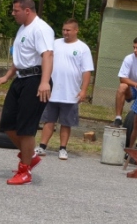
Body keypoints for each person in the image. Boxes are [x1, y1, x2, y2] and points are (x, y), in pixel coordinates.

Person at [0, 0, 54, 185]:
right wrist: (7, 76)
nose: (13, 14)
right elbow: (20, 58)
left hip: (35, 79)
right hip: (20, 78)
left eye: (15, 10)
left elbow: (48, 55)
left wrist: (44, 82)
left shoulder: (41, 29)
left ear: (27, 10)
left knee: (26, 128)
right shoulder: (22, 28)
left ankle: (25, 171)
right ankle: (31, 156)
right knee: (7, 122)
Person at [36, 18, 94, 160]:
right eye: (63, 30)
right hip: (52, 91)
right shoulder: (54, 44)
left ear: (76, 30)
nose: (65, 32)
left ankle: (63, 149)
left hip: (70, 92)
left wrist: (83, 90)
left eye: (68, 30)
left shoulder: (82, 48)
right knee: (48, 120)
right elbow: (45, 60)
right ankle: (42, 146)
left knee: (66, 123)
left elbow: (87, 71)